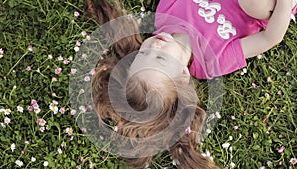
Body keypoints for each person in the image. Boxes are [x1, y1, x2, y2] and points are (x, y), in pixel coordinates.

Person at [85, 0, 297, 168]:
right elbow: (268, 39)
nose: (155, 46)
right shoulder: (213, 61)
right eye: (160, 59)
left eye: (144, 52)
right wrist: (286, 4)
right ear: (183, 76)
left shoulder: (164, 15)